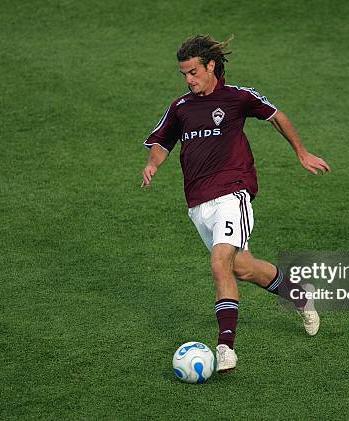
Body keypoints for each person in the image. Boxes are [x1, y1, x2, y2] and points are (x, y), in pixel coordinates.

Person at [141, 35, 330, 372]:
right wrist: (154, 163)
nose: (188, 79)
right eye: (184, 74)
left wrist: (302, 152)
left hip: (233, 193)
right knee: (241, 268)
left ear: (210, 65)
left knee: (219, 264)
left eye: (193, 72)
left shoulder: (237, 98)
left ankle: (225, 347)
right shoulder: (181, 107)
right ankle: (300, 294)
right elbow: (162, 141)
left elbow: (277, 116)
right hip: (198, 204)